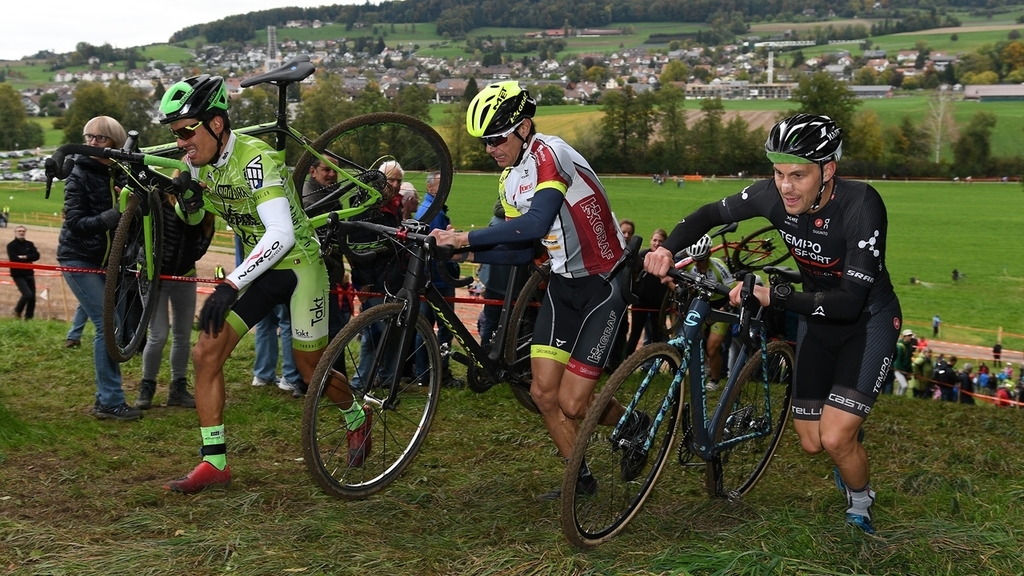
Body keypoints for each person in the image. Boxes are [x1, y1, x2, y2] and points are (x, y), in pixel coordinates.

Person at [644, 114, 901, 534]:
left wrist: (773, 295)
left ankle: (860, 501)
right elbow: (709, 213)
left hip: (867, 322)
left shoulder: (862, 205)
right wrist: (668, 250)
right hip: (816, 324)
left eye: (798, 175)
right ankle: (848, 438)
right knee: (812, 442)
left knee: (835, 439)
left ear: (828, 170)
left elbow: (850, 302)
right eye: (779, 173)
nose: (785, 186)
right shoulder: (771, 196)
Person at [157, 75, 362, 494]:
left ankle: (358, 415)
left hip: (300, 266)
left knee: (311, 371)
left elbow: (281, 234)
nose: (181, 143)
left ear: (216, 124)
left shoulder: (256, 160)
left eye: (186, 131)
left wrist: (231, 283)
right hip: (261, 270)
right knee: (206, 353)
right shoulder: (197, 165)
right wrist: (188, 205)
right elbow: (196, 222)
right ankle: (214, 462)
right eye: (176, 134)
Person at [433, 81, 637, 500]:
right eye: (484, 142)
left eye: (495, 138)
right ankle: (579, 481)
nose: (489, 149)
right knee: (544, 394)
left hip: (604, 284)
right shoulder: (509, 180)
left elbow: (535, 223)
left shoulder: (552, 154)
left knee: (575, 404)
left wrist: (463, 238)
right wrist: (463, 256)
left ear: (523, 127)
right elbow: (520, 250)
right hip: (562, 287)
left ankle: (631, 423)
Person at [57, 116, 142, 421]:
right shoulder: (79, 175)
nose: (92, 143)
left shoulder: (119, 174)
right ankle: (109, 401)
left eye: (100, 139)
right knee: (110, 326)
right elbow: (76, 224)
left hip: (107, 262)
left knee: (112, 326)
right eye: (88, 137)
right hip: (78, 259)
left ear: (116, 144)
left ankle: (106, 398)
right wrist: (112, 217)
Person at [133, 195, 214, 410]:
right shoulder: (159, 199)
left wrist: (191, 253)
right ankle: (147, 385)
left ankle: (178, 388)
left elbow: (204, 240)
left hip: (185, 276)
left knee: (183, 335)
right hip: (155, 276)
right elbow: (140, 227)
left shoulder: (207, 208)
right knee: (158, 334)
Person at [413, 170, 460, 387]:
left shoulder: (427, 209)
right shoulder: (434, 213)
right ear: (430, 187)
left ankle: (423, 373)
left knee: (423, 328)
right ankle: (440, 374)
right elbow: (440, 251)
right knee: (445, 329)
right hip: (439, 282)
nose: (446, 189)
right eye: (442, 185)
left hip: (427, 280)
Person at [682, 234, 735, 390]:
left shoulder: (719, 267)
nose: (697, 264)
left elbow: (732, 296)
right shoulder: (690, 265)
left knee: (713, 348)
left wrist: (722, 310)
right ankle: (705, 365)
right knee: (691, 341)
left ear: (709, 255)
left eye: (701, 260)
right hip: (702, 305)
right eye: (694, 260)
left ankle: (715, 380)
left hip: (721, 307)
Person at [624, 229, 669, 356]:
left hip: (658, 305)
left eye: (660, 241)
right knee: (634, 336)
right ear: (650, 241)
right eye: (655, 240)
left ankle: (654, 367)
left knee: (657, 338)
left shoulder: (667, 260)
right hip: (641, 303)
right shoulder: (643, 255)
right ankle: (625, 365)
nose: (657, 243)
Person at [7, 225, 40, 320]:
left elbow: (36, 256)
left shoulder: (29, 244)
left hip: (29, 273)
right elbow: (14, 259)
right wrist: (28, 257)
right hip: (18, 274)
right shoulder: (11, 245)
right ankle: (17, 311)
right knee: (27, 294)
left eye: (23, 231)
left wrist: (24, 257)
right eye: (19, 231)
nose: (21, 232)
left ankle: (29, 319)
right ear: (15, 232)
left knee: (32, 298)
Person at [892, 329, 914, 397]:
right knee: (904, 385)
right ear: (904, 336)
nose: (910, 337)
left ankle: (898, 398)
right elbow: (897, 361)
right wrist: (903, 371)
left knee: (901, 386)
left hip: (905, 370)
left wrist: (910, 371)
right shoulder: (900, 346)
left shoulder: (910, 346)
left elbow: (909, 360)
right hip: (898, 369)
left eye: (911, 335)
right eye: (908, 336)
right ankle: (900, 398)